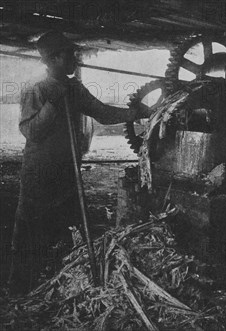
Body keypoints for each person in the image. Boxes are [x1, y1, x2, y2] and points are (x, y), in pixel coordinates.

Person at [8, 31, 150, 293]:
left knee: (70, 227)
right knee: (30, 228)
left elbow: (102, 113)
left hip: (67, 170)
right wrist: (52, 105)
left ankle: (65, 286)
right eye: (70, 54)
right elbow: (31, 132)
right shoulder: (36, 89)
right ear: (54, 58)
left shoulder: (74, 88)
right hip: (40, 172)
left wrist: (135, 113)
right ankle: (20, 289)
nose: (75, 58)